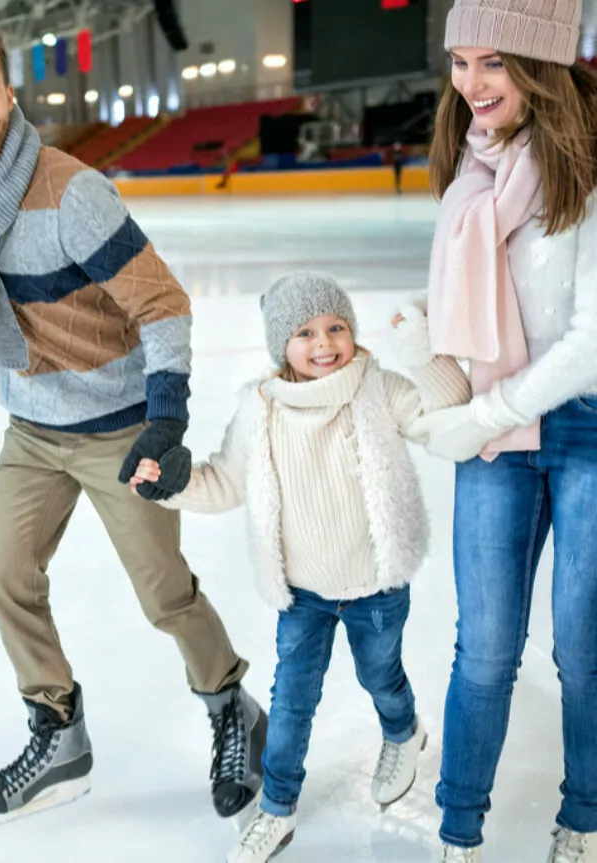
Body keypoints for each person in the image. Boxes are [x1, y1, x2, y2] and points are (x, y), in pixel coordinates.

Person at [0, 17, 266, 826]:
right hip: (32, 430)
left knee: (164, 595)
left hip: (115, 425)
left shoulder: (71, 193)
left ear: (10, 91)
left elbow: (163, 302)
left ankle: (232, 712)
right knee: (6, 576)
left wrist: (165, 419)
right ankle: (59, 731)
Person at [132, 273, 472, 863]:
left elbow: (444, 414)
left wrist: (424, 354)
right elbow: (224, 483)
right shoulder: (260, 409)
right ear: (279, 346)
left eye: (336, 326)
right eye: (305, 331)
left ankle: (403, 733)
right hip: (304, 595)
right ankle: (277, 809)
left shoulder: (376, 388)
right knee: (291, 701)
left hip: (375, 586)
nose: (324, 342)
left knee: (381, 677)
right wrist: (173, 484)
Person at [407, 0, 597, 860]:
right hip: (499, 434)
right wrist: (425, 351)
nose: (471, 84)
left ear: (538, 66)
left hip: (585, 425)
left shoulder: (587, 174)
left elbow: (591, 340)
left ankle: (585, 816)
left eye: (493, 63)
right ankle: (460, 828)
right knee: (483, 648)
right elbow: (468, 316)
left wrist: (484, 415)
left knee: (583, 647)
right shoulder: (468, 176)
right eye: (460, 62)